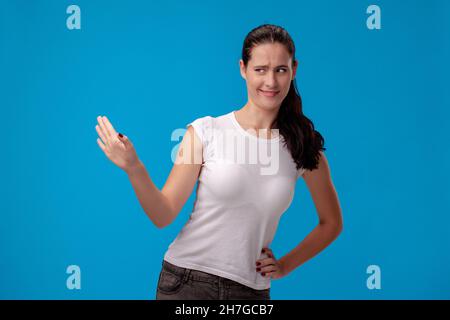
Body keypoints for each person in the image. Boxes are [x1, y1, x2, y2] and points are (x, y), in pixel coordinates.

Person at [95, 24, 343, 300]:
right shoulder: (205, 131)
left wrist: (285, 265)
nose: (271, 82)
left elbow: (331, 223)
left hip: (252, 292)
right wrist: (134, 167)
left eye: (280, 70)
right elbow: (163, 214)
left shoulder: (304, 149)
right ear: (243, 69)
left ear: (293, 70)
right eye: (260, 69)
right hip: (186, 282)